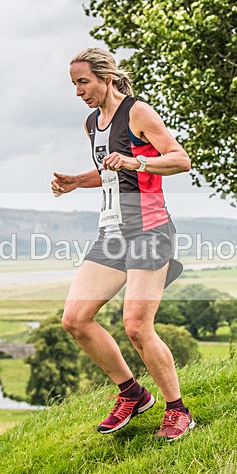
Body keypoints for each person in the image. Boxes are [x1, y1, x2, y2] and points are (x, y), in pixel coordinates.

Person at [51, 47, 194, 440]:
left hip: (150, 230)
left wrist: (138, 162)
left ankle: (178, 410)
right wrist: (77, 181)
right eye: (74, 85)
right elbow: (109, 172)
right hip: (111, 233)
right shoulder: (91, 123)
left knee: (136, 326)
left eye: (83, 82)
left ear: (106, 78)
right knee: (75, 320)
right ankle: (132, 393)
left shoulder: (138, 113)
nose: (78, 91)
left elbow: (181, 160)